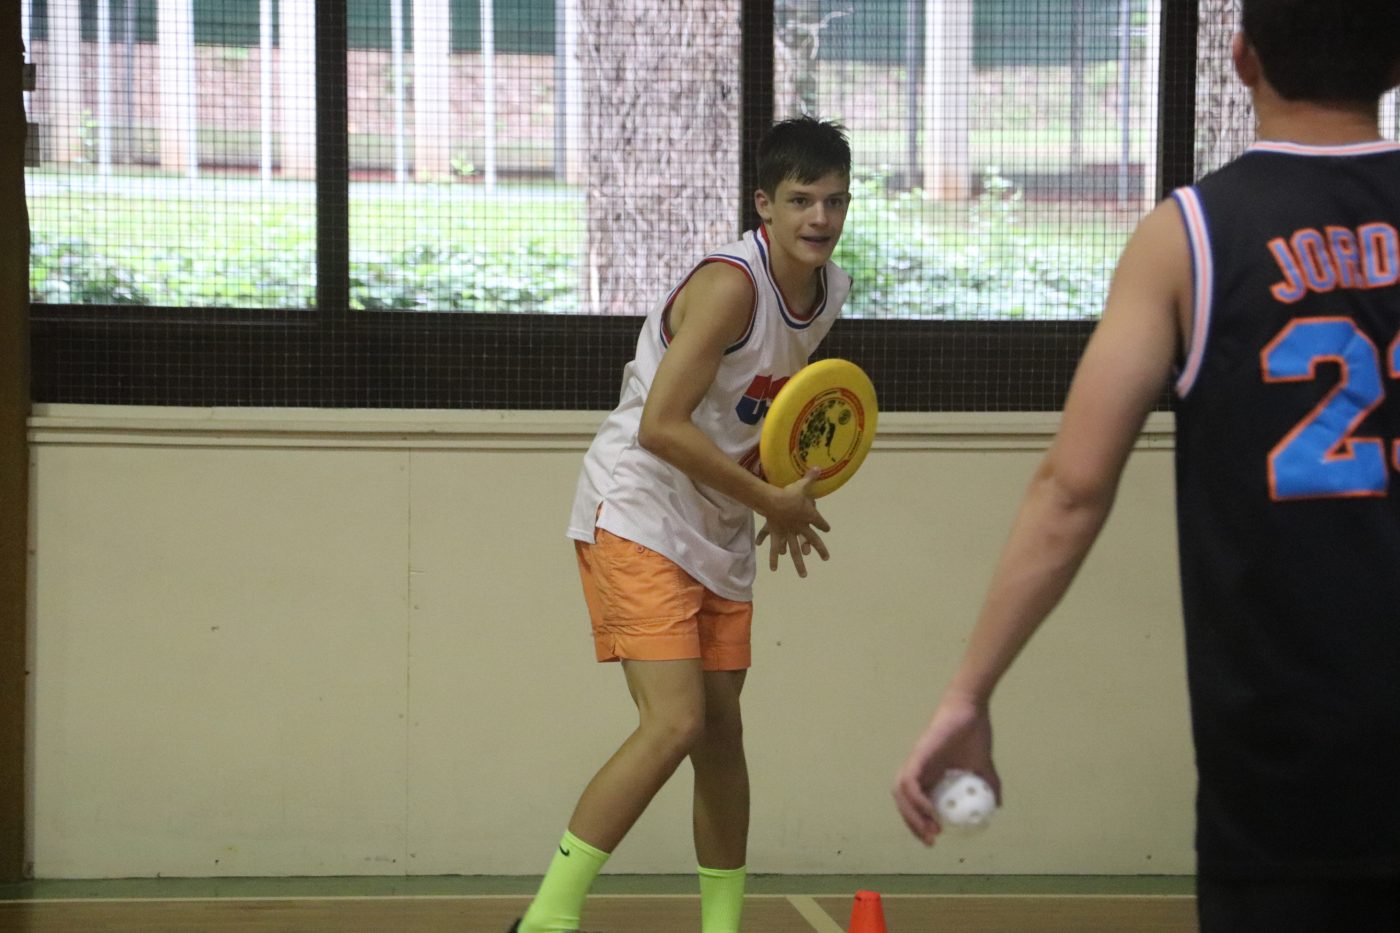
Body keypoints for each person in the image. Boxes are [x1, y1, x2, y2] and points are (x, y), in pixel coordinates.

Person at [891, 2, 1400, 930]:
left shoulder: (1193, 235)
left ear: (1242, 57)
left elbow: (1072, 488)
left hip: (1283, 771)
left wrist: (969, 690)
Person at [509, 115, 854, 933]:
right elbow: (661, 425)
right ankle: (545, 921)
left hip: (719, 521)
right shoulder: (733, 286)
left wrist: (776, 487)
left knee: (721, 732)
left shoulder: (830, 291)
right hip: (640, 507)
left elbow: (764, 414)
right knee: (676, 720)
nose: (819, 217)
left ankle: (721, 928)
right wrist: (770, 500)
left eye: (835, 201)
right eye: (800, 199)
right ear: (763, 204)